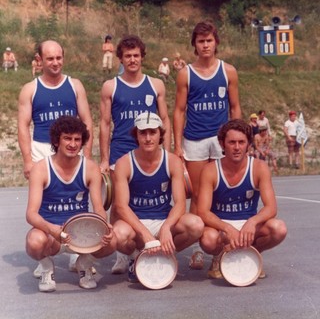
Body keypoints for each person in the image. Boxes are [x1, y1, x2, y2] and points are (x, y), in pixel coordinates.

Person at [18, 39, 93, 276]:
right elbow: (22, 125)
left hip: (72, 148)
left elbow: (87, 121)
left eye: (59, 57)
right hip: (42, 149)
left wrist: (88, 155)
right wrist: (28, 160)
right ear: (39, 61)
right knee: (43, 206)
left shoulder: (75, 85)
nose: (55, 62)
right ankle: (45, 258)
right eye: (50, 58)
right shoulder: (30, 89)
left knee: (75, 201)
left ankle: (76, 251)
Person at [99, 34, 171, 274]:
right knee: (119, 207)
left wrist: (168, 153)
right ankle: (122, 254)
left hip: (150, 152)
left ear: (142, 57)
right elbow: (104, 123)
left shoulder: (156, 85)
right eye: (127, 56)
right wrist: (104, 158)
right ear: (120, 58)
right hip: (121, 150)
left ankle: (147, 246)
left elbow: (165, 120)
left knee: (151, 201)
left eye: (136, 55)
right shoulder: (111, 86)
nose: (132, 60)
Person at [173, 21, 241, 269]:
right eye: (200, 41)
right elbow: (179, 111)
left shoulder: (228, 71)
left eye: (209, 40)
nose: (205, 45)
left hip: (221, 139)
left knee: (222, 192)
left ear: (216, 42)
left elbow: (234, 107)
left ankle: (220, 246)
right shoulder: (185, 74)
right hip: (195, 140)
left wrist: (238, 139)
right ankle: (197, 249)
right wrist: (177, 145)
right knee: (199, 195)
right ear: (194, 45)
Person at [25, 116, 117, 292]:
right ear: (56, 140)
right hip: (52, 232)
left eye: (77, 139)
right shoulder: (41, 168)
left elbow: (98, 207)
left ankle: (85, 263)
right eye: (67, 138)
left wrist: (104, 225)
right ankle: (46, 268)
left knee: (113, 241)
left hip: (81, 232)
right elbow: (31, 214)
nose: (73, 144)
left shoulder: (90, 168)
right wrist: (53, 230)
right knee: (34, 241)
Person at [112, 112, 204, 282]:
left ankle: (164, 254)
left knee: (196, 225)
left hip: (163, 219)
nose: (148, 138)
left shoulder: (172, 161)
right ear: (136, 135)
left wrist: (167, 228)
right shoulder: (124, 163)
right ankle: (136, 257)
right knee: (117, 234)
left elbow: (180, 203)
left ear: (160, 134)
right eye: (143, 133)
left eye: (152, 132)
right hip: (136, 222)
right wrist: (145, 234)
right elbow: (121, 207)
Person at [197, 119, 287, 279]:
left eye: (241, 142)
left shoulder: (259, 167)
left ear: (248, 144)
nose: (237, 147)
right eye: (232, 142)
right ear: (222, 144)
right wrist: (227, 228)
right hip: (221, 228)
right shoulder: (210, 170)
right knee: (208, 239)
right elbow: (203, 211)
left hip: (248, 227)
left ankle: (252, 254)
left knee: (278, 228)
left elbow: (271, 207)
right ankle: (218, 257)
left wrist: (252, 222)